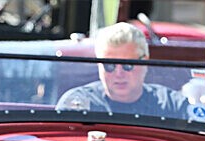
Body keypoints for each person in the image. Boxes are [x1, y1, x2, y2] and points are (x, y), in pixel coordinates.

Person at [56, 22, 188, 118]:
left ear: (145, 62)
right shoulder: (77, 105)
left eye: (127, 65)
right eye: (109, 65)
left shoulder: (173, 107)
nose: (119, 74)